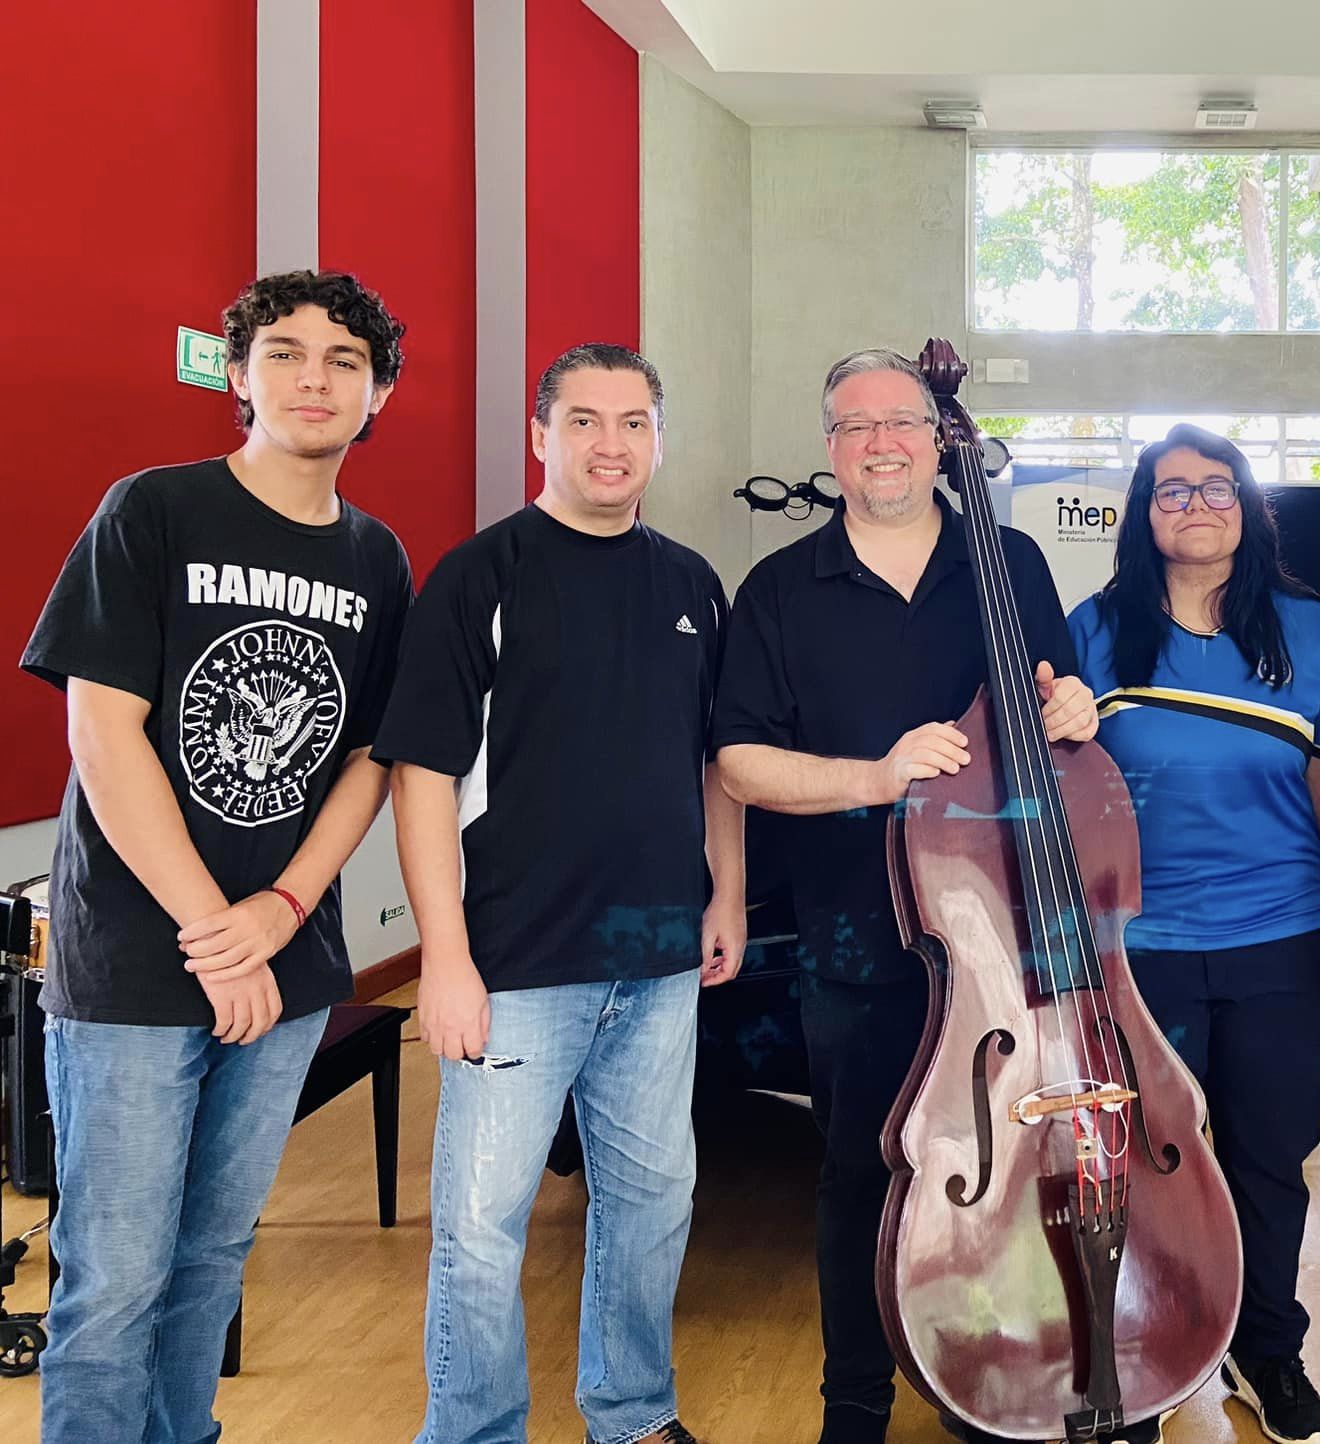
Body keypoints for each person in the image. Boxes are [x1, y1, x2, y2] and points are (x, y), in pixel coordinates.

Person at [19, 269, 414, 1443]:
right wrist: (215, 931)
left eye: (346, 360)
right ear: (237, 376)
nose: (315, 377)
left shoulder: (377, 558)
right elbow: (103, 728)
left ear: (377, 393)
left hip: (282, 958)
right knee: (116, 1273)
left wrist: (282, 913)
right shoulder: (152, 509)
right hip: (140, 963)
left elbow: (369, 759)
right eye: (285, 352)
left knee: (211, 1258)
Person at [711, 348, 1098, 1444]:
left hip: (1012, 935)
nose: (881, 440)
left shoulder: (1011, 562)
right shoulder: (781, 588)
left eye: (901, 421)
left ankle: (993, 1383)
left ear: (938, 438)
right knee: (861, 1173)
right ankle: (856, 1403)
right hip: (857, 939)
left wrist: (1075, 709)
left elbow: (1056, 709)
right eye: (853, 424)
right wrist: (873, 778)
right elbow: (737, 761)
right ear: (830, 450)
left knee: (1015, 1171)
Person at [375, 344, 744, 1444]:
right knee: (483, 1228)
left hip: (660, 957)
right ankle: (471, 1430)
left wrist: (724, 895)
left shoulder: (690, 583)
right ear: (541, 435)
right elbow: (422, 776)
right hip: (515, 964)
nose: (610, 444)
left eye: (632, 422)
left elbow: (714, 763)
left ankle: (631, 1413)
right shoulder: (480, 576)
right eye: (583, 421)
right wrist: (442, 955)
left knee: (650, 1204)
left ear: (658, 440)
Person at [1065, 425, 1320, 1444]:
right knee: (1141, 1160)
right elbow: (1059, 781)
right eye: (1171, 489)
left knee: (1270, 1157)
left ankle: (1264, 1349)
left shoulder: (1311, 633)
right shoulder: (1094, 630)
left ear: (1247, 506)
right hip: (1136, 945)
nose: (1194, 504)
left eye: (1215, 486)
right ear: (1143, 512)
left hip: (1285, 938)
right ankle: (1139, 1357)